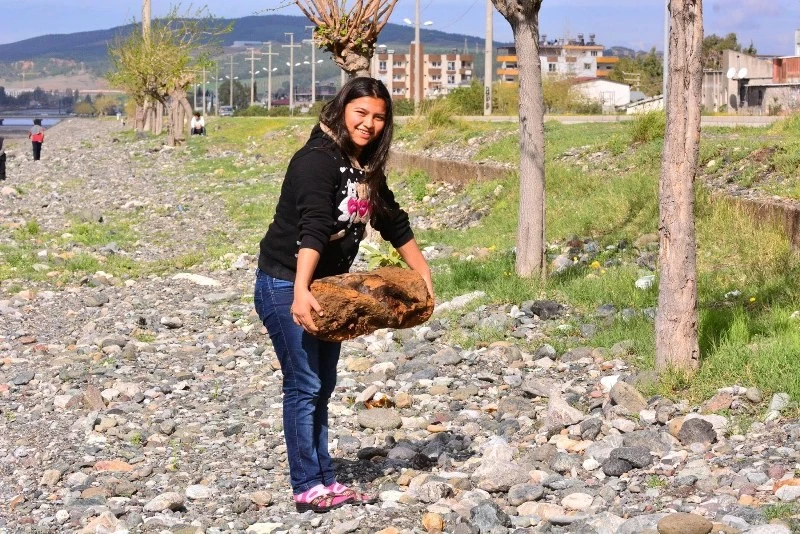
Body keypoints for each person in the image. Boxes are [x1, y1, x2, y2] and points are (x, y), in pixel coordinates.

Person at [253, 77, 434, 513]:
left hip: (331, 291)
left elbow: (391, 219)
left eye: (378, 117)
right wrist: (299, 291)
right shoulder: (316, 161)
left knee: (325, 384)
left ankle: (325, 478)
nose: (369, 124)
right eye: (361, 113)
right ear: (342, 109)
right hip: (284, 283)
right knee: (304, 384)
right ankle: (306, 486)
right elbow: (312, 227)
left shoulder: (364, 166)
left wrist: (423, 273)